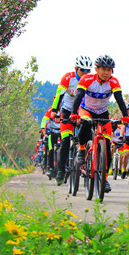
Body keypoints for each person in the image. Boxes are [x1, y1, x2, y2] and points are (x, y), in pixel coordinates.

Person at [69, 55, 129, 194]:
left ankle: (104, 179)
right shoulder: (87, 79)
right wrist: (74, 113)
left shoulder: (113, 82)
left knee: (107, 146)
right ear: (96, 69)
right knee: (85, 123)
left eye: (109, 70)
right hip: (86, 109)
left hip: (102, 112)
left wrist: (125, 116)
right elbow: (79, 96)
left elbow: (119, 99)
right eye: (103, 69)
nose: (106, 72)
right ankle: (82, 149)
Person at [51, 55, 93, 185]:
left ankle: (86, 162)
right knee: (65, 140)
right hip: (67, 110)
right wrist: (54, 110)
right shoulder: (68, 78)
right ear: (76, 68)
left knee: (89, 135)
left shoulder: (91, 80)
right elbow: (59, 94)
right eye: (82, 70)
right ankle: (61, 170)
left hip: (82, 110)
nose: (85, 73)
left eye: (88, 71)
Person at [40, 106, 61, 178]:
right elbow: (45, 119)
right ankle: (51, 168)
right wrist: (43, 128)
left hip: (62, 131)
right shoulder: (51, 109)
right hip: (52, 132)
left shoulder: (66, 105)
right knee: (51, 150)